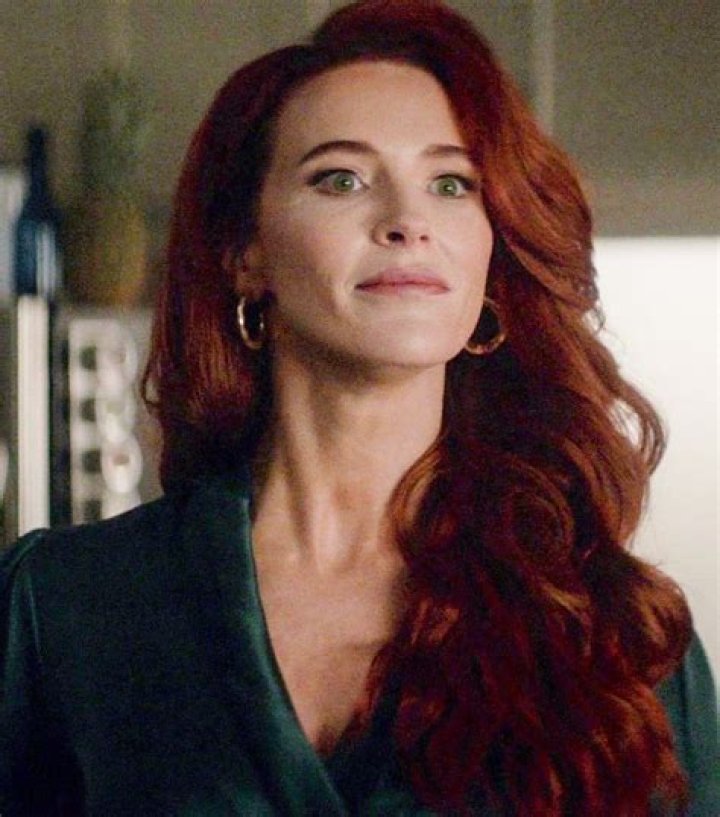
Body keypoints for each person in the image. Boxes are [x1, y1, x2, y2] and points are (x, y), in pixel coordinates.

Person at [1, 1, 718, 814]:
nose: (408, 221)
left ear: (491, 249)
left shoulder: (618, 637)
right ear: (245, 252)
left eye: (451, 184)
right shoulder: (63, 606)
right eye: (341, 178)